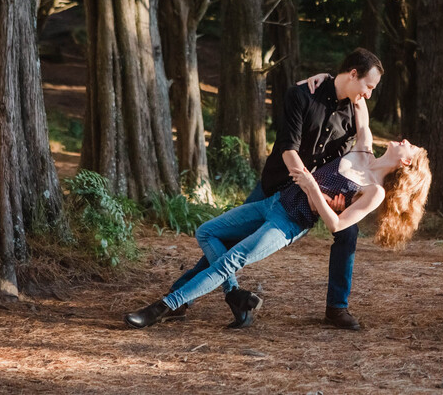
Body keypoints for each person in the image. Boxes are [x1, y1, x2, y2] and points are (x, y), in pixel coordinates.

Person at [123, 96, 431, 329]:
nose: (405, 140)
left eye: (410, 147)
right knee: (207, 231)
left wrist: (313, 189)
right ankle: (235, 296)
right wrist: (347, 84)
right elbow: (360, 100)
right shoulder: (363, 149)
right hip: (274, 202)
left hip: (289, 223)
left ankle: (161, 308)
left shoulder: (374, 191)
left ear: (406, 163)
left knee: (232, 258)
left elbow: (337, 225)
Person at [157, 48, 384, 330]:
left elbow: (347, 163)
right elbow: (289, 148)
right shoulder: (302, 94)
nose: (369, 95)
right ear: (352, 74)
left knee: (347, 233)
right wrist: (311, 185)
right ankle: (181, 298)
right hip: (278, 182)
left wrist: (335, 199)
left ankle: (337, 308)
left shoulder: (355, 112)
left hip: (315, 196)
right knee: (225, 240)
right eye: (368, 86)